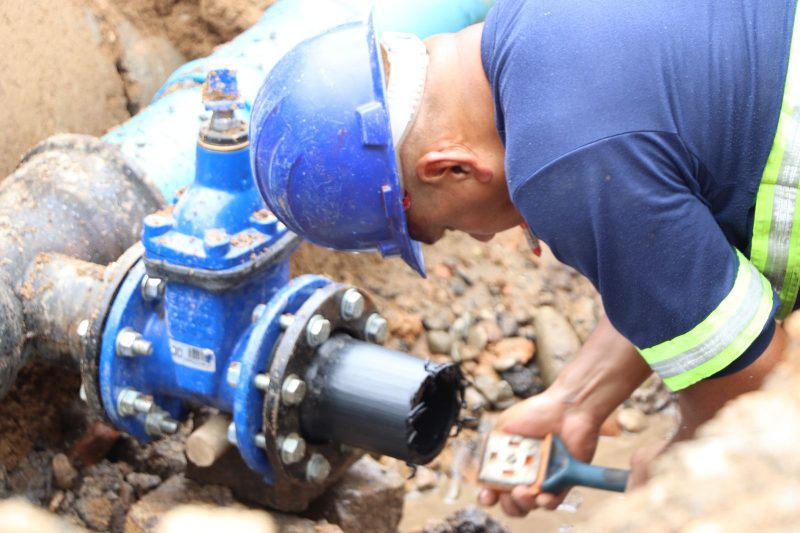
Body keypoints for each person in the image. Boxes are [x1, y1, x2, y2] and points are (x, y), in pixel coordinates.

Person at [250, 0, 797, 517]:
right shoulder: (530, 28)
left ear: (451, 169)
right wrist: (577, 401)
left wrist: (687, 467)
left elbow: (758, 392)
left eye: (442, 227)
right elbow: (667, 267)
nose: (482, 240)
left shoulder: (561, 165)